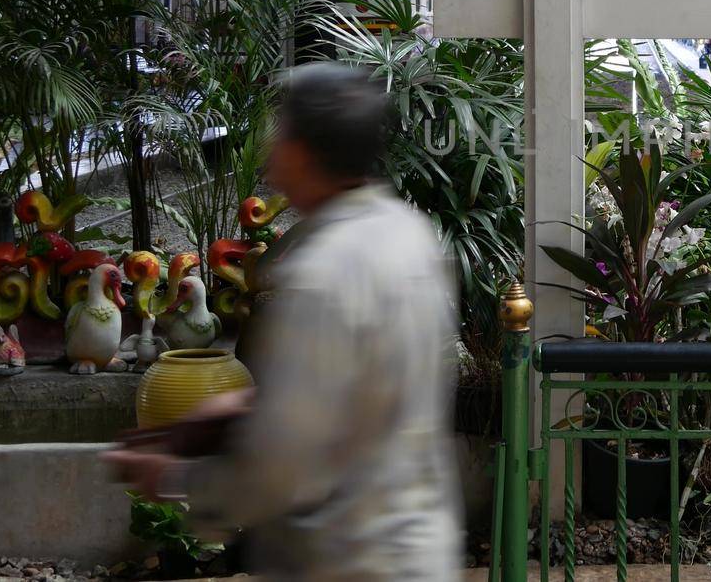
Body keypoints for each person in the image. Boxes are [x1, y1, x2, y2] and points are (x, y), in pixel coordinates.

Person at [105, 63, 461, 582]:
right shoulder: (408, 234)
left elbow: (284, 468)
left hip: (347, 561)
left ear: (301, 151)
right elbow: (359, 392)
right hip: (416, 550)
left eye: (279, 134)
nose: (270, 155)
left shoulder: (323, 272)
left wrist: (178, 480)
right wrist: (247, 407)